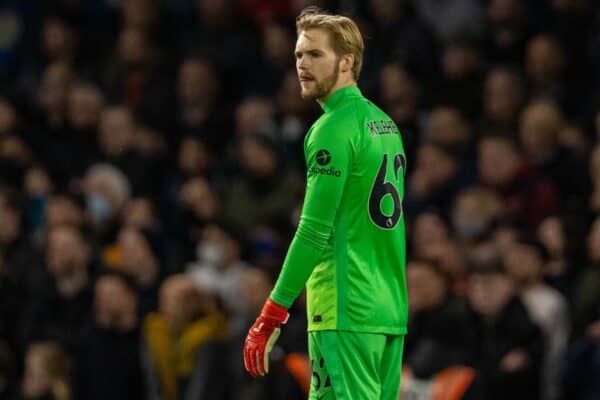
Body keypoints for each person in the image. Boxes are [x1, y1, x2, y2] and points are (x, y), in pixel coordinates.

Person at [243, 7, 408, 400]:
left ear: (347, 61)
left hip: (345, 308)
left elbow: (313, 231)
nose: (302, 64)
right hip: (388, 309)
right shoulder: (384, 123)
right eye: (299, 54)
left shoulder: (331, 130)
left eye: (315, 54)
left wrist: (272, 313)